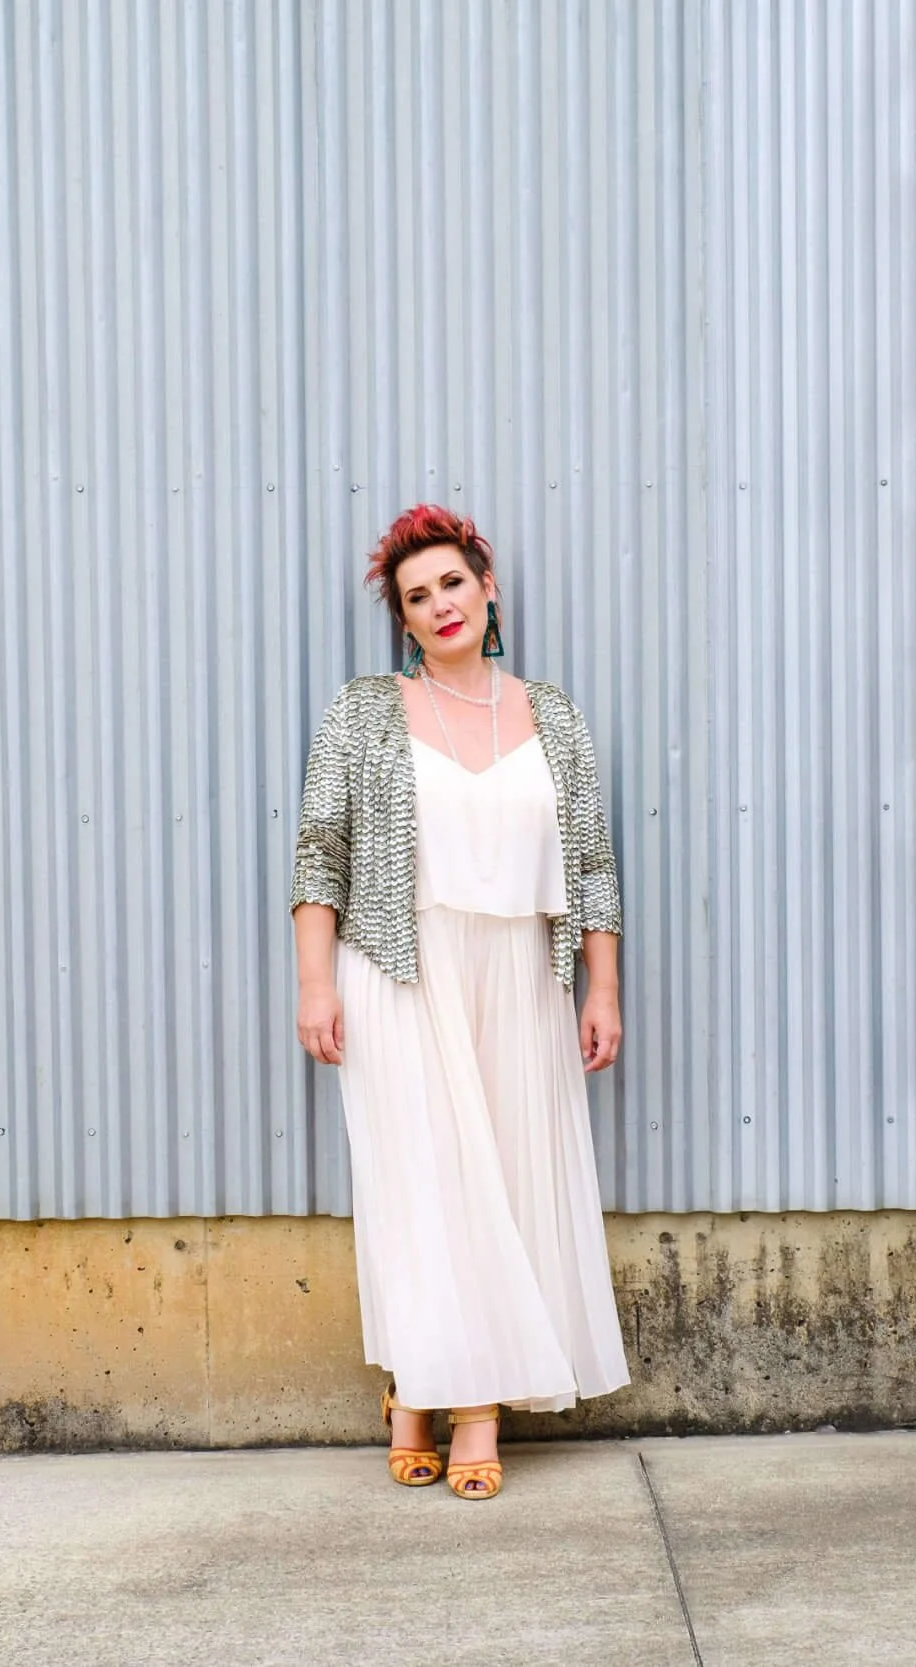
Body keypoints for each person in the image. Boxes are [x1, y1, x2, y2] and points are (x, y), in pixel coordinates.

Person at [292, 505, 631, 1501]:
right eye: (417, 595)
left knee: (502, 1185)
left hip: (522, 973)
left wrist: (602, 987)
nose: (440, 604)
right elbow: (320, 847)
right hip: (402, 968)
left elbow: (591, 861)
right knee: (425, 1190)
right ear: (402, 621)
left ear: (488, 590)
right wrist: (315, 980)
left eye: (452, 582)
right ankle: (448, 1397)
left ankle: (438, 1398)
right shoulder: (366, 710)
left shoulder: (551, 713)